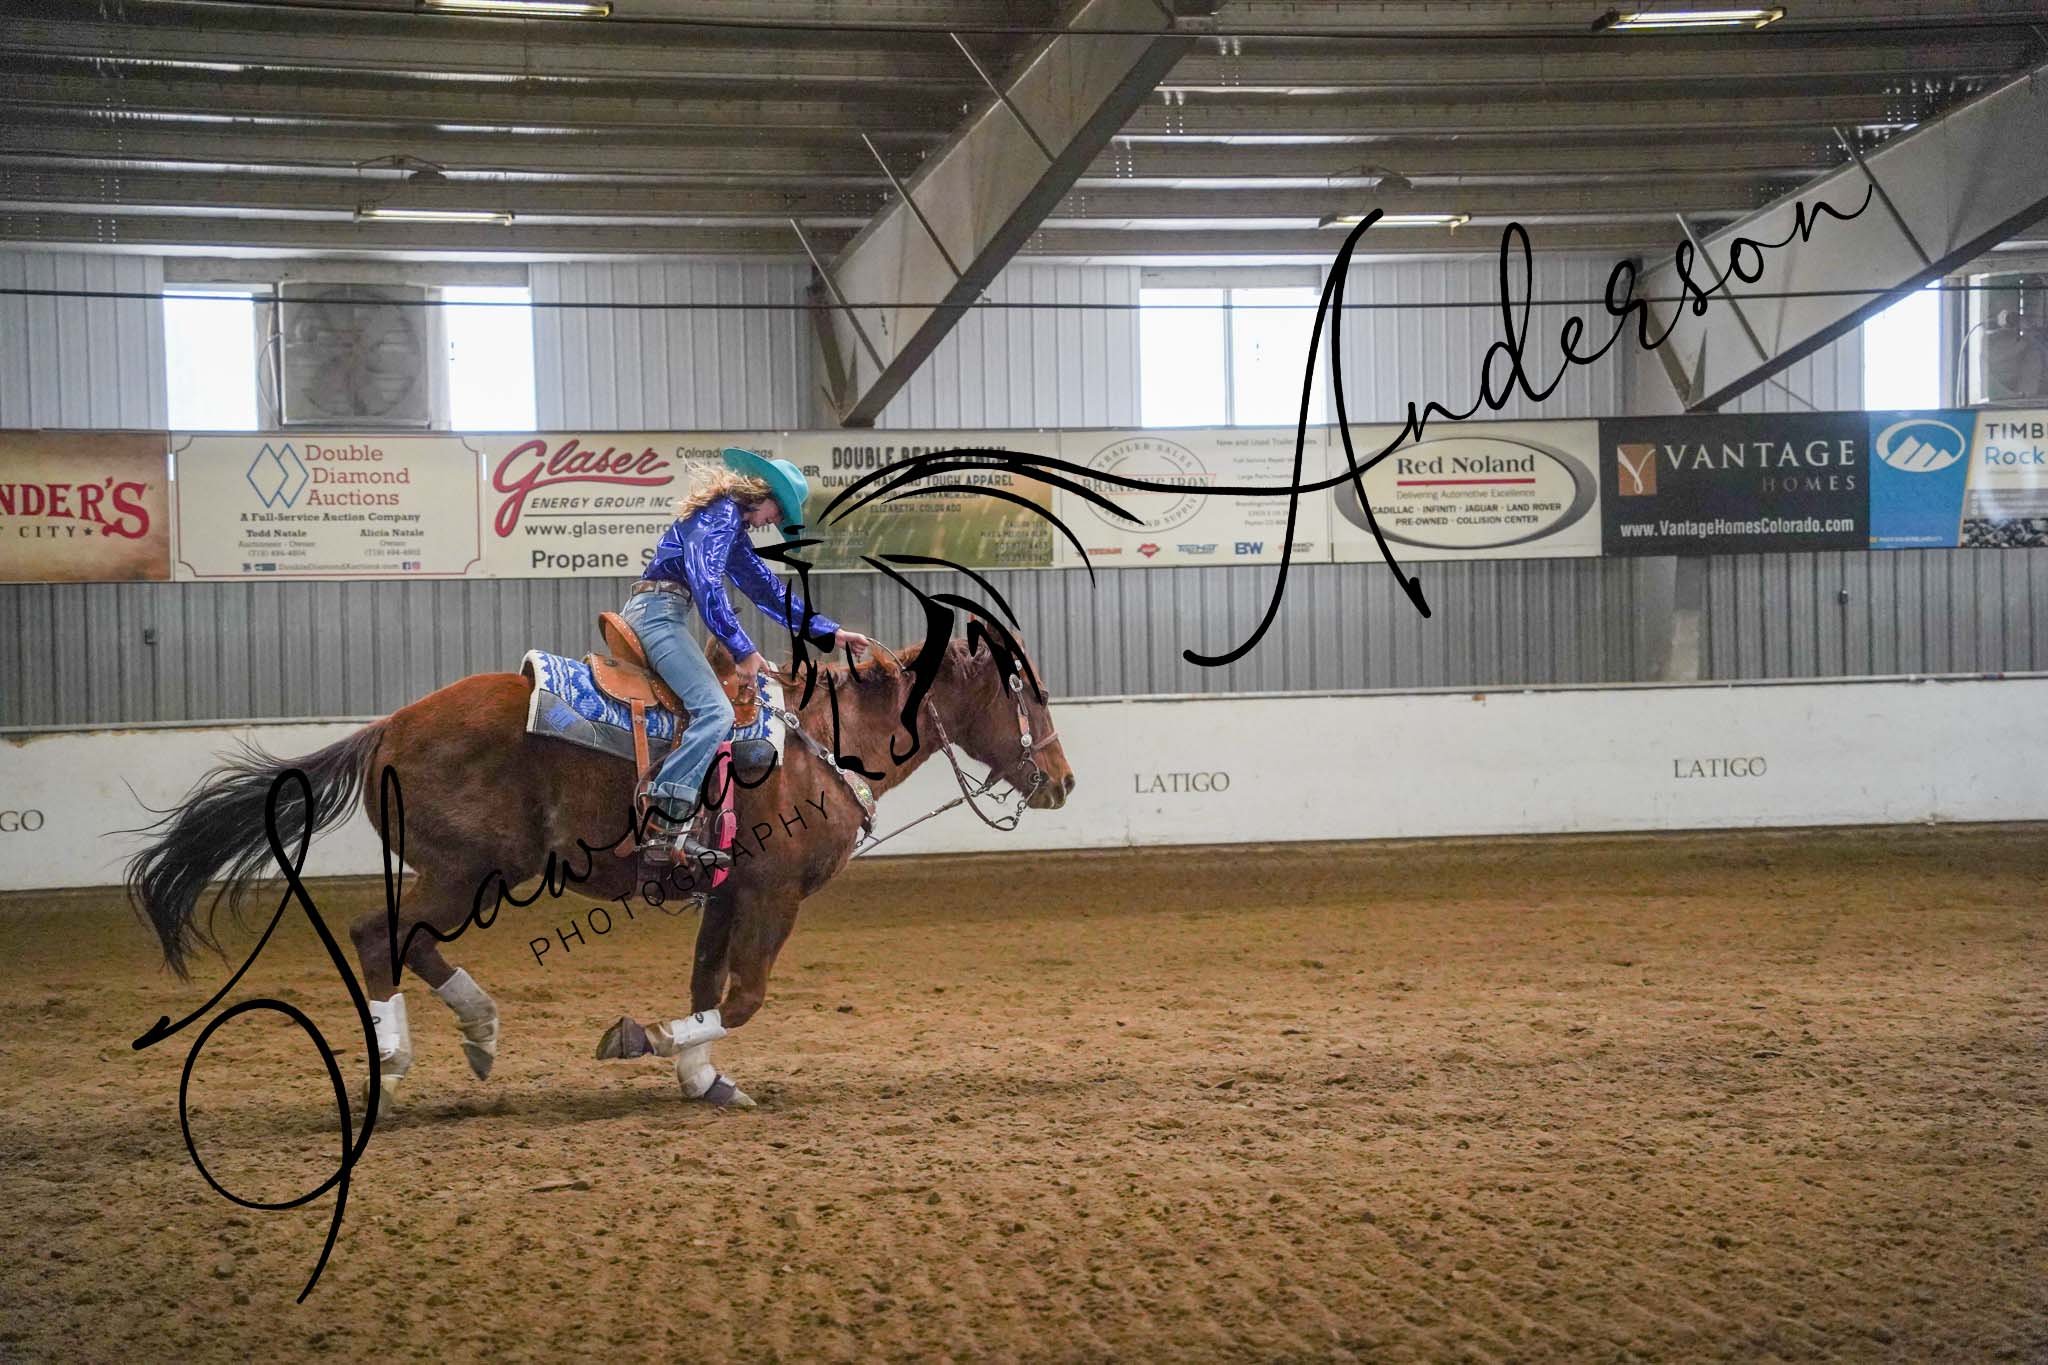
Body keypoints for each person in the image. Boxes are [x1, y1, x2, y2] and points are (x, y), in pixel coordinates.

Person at [624, 447, 869, 864]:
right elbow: (707, 583)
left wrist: (829, 631)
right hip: (658, 616)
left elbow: (766, 589)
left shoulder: (728, 524)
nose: (775, 520)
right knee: (715, 712)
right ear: (763, 493)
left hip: (662, 611)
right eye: (778, 510)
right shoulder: (720, 516)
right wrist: (742, 649)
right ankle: (665, 821)